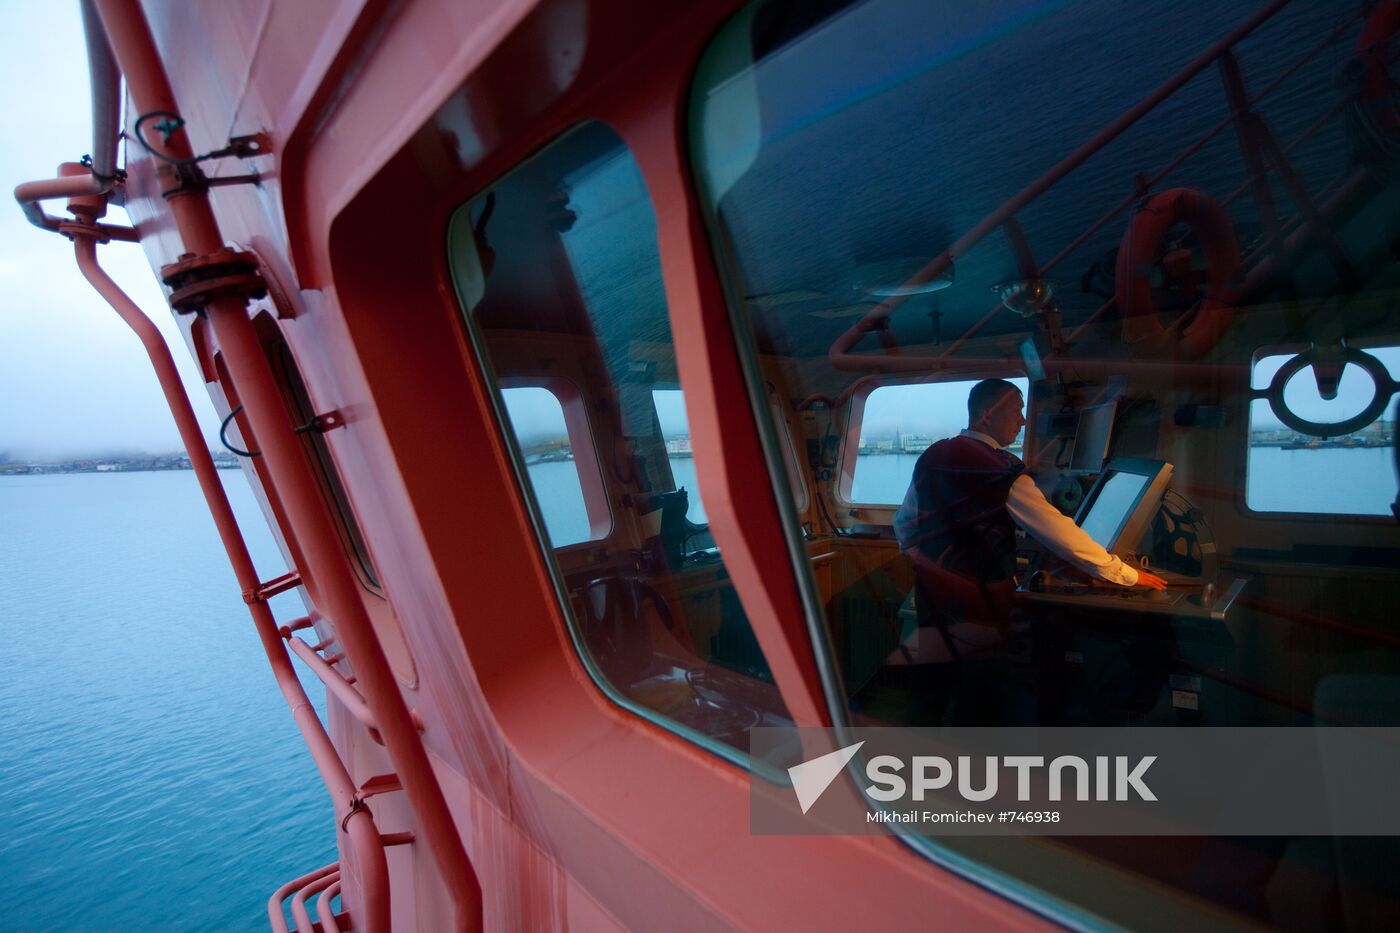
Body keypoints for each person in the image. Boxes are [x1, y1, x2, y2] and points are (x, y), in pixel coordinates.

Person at [892, 379, 1165, 720]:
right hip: (981, 603)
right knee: (980, 700)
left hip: (934, 596)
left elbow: (904, 524)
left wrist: (929, 565)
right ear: (987, 413)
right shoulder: (1001, 470)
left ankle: (916, 762)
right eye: (1016, 410)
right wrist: (1123, 573)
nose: (1022, 420)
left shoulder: (935, 454)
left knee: (933, 686)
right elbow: (1058, 531)